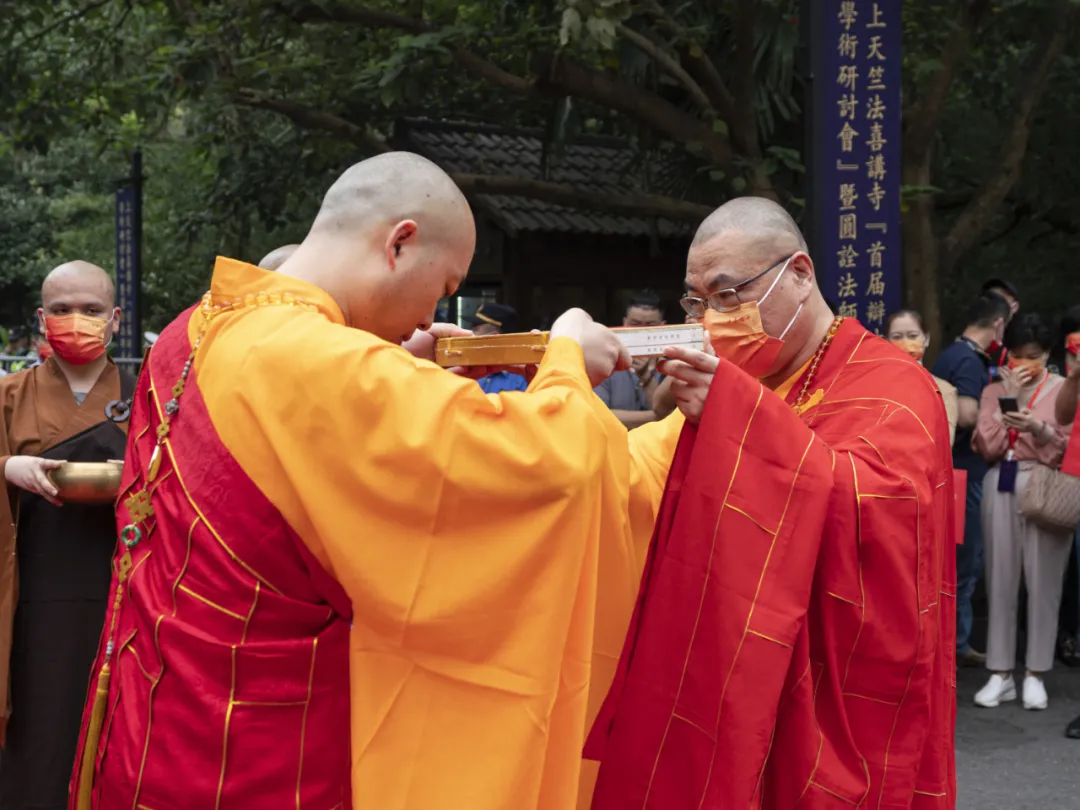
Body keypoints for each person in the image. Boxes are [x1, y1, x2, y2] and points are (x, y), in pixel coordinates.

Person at [68, 152, 638, 810]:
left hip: (150, 727)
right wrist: (568, 359)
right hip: (252, 757)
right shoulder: (318, 363)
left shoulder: (191, 330)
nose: (430, 317)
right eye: (443, 283)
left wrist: (399, 369)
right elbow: (548, 465)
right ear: (400, 243)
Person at [585, 197, 956, 808]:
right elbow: (632, 472)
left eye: (729, 295)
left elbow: (885, 520)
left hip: (839, 693)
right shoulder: (748, 388)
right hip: (742, 675)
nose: (712, 317)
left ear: (801, 274)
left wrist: (739, 418)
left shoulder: (893, 386)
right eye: (698, 300)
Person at [0, 261, 136, 810]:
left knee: (115, 729)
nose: (75, 321)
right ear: (41, 318)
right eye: (60, 310)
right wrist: (7, 467)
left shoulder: (146, 394)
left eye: (90, 310)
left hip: (123, 595)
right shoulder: (11, 394)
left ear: (116, 319)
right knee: (40, 728)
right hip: (28, 598)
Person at [972, 313, 1071, 711]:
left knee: (1045, 581)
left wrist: (1039, 429)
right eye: (1015, 355)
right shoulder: (993, 390)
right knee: (999, 578)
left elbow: (1066, 448)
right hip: (1002, 480)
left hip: (1045, 483)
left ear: (1046, 355)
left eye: (1031, 355)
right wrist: (1003, 405)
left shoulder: (1064, 389)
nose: (1022, 363)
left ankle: (1036, 672)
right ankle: (1000, 673)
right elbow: (985, 445)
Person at [931, 292, 1012, 667]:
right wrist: (999, 407)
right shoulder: (967, 360)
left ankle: (953, 642)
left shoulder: (952, 354)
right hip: (966, 474)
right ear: (998, 323)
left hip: (956, 474)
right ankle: (957, 645)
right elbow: (965, 415)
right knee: (965, 564)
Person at [594, 291, 666, 429]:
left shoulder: (672, 365)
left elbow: (674, 420)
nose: (641, 331)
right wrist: (656, 416)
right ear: (624, 322)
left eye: (650, 326)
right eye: (635, 324)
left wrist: (647, 379)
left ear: (662, 326)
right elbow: (598, 415)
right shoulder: (605, 361)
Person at [887, 308, 959, 444]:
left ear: (926, 339)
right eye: (897, 337)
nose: (906, 342)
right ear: (886, 341)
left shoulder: (944, 390)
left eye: (913, 336)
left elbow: (945, 443)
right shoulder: (875, 385)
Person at [470, 302, 530, 394]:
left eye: (475, 330)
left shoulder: (521, 379)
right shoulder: (465, 369)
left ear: (494, 337)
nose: (470, 334)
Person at [981, 278, 1020, 377]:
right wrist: (992, 371)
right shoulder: (974, 333)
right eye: (990, 298)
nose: (994, 305)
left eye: (1001, 300)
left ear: (1014, 307)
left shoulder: (1023, 335)